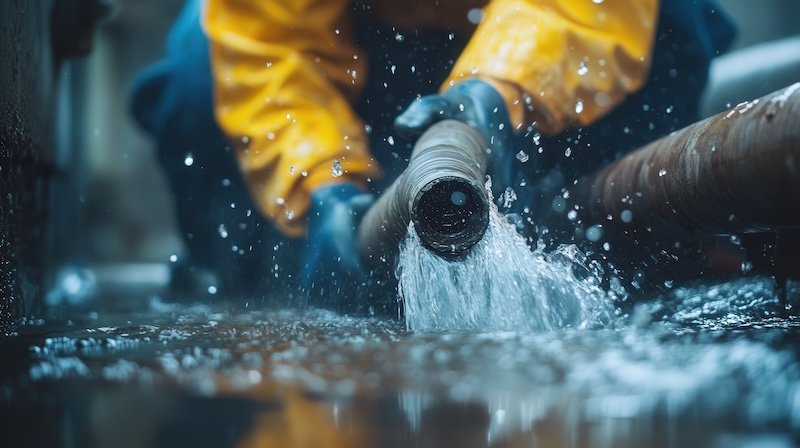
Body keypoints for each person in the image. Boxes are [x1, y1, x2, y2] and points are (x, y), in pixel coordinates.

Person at [131, 0, 734, 307]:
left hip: (533, 28)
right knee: (197, 77)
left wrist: (502, 94)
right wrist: (322, 186)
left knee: (671, 23)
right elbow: (268, 41)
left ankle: (608, 267)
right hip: (355, 41)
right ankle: (253, 284)